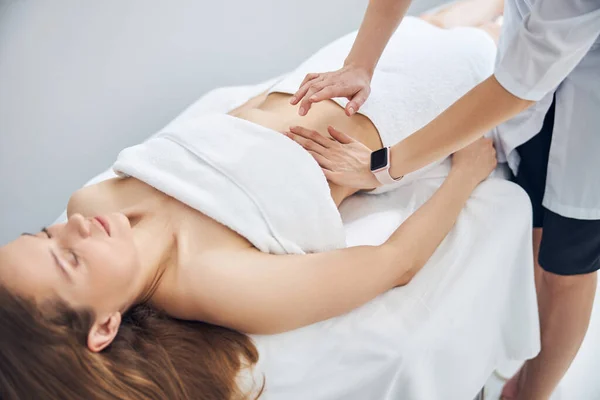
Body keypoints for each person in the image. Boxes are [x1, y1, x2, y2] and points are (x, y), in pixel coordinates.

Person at [0, 15, 501, 399]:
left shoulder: (90, 201)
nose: (74, 229)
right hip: (403, 115)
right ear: (105, 325)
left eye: (45, 235)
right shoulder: (221, 282)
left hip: (319, 80)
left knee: (441, 19)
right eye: (69, 258)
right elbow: (393, 264)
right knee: (504, 36)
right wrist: (465, 176)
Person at [288, 0, 600, 399]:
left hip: (578, 103)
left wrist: (384, 166)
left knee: (567, 269)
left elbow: (518, 88)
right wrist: (360, 63)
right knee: (539, 222)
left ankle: (531, 393)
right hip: (514, 57)